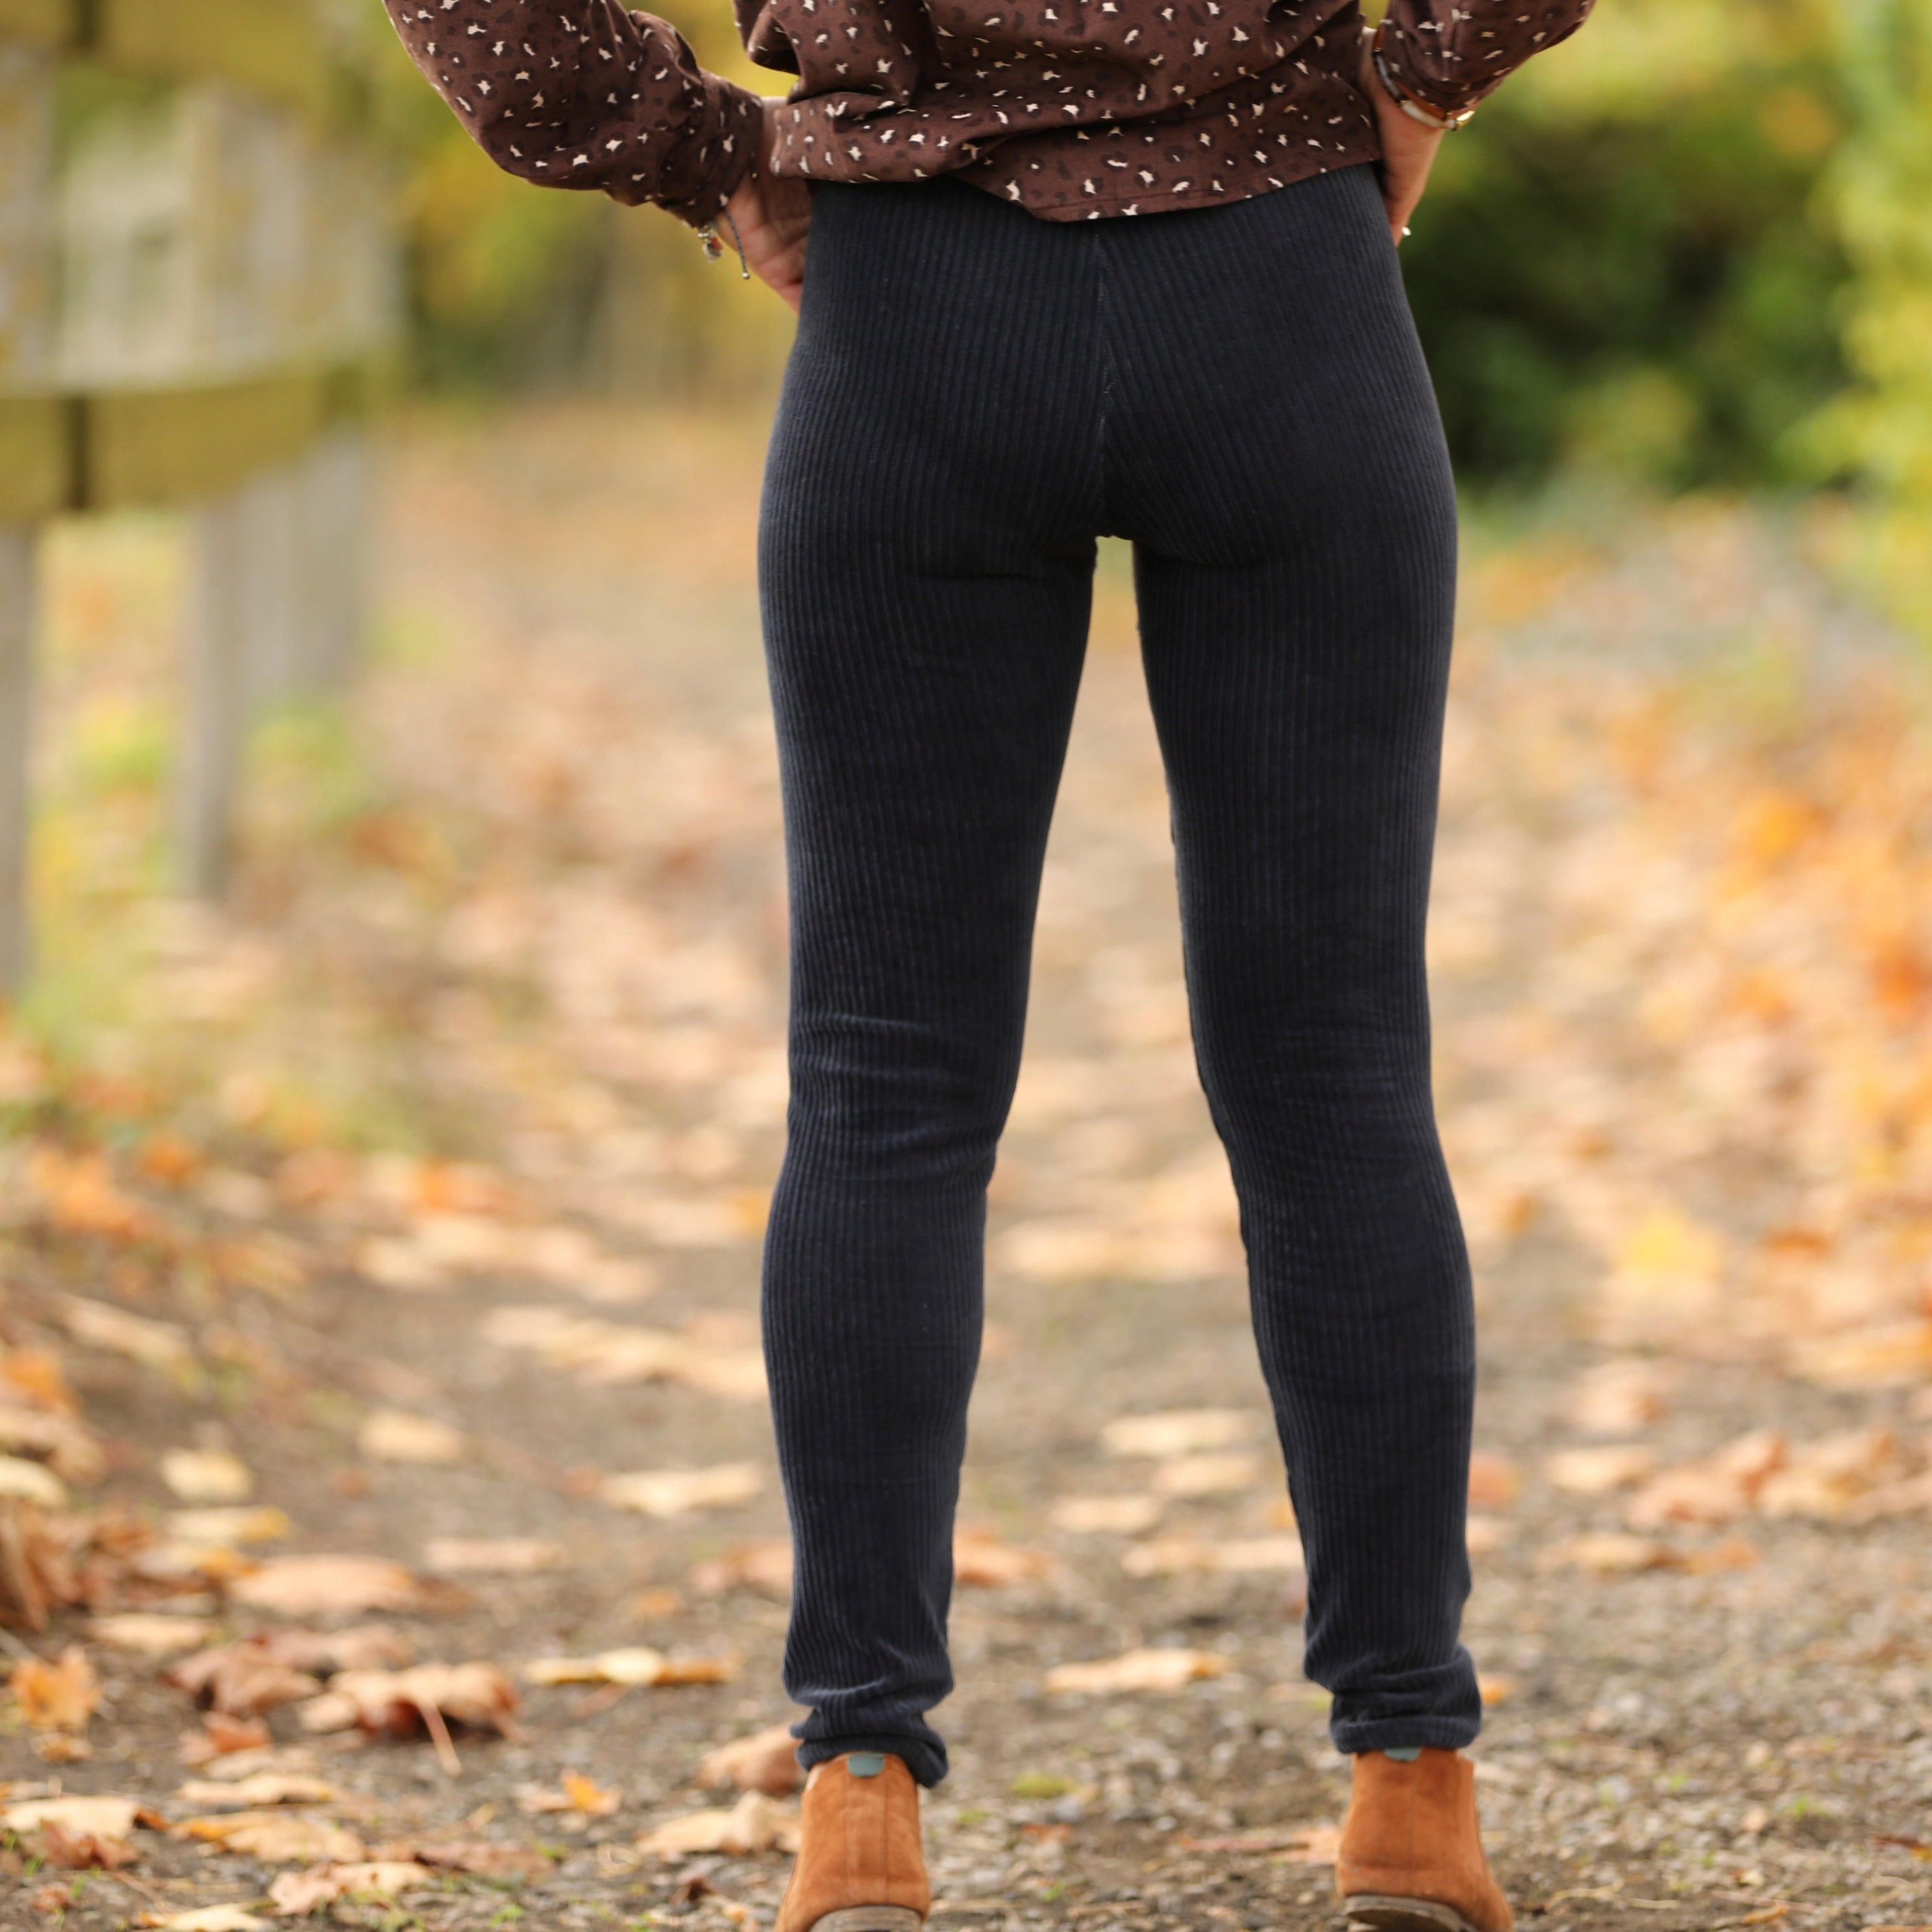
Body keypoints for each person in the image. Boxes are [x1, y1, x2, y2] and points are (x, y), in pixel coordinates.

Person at [382, 1, 1594, 1926]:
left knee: (886, 1080)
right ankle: (1410, 1782)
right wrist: (1433, 64)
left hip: (917, 306)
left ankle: (860, 1788)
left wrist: (696, 148)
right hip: (1282, 280)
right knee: (1334, 1067)